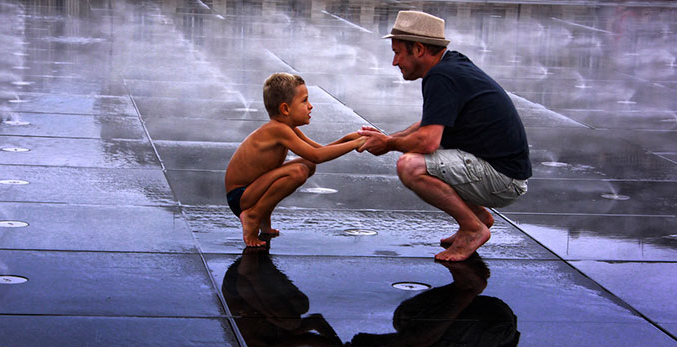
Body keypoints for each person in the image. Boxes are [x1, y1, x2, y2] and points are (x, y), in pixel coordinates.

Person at [358, 11, 532, 261]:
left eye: (398, 52)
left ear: (418, 49)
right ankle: (476, 217)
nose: (395, 62)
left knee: (410, 165)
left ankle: (473, 229)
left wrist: (388, 145)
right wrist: (388, 137)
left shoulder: (442, 76)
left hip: (503, 180)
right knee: (414, 154)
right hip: (504, 172)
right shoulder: (450, 65)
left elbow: (428, 141)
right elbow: (428, 123)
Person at [225, 72, 366, 248]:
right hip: (241, 196)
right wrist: (356, 144)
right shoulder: (278, 130)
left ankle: (262, 218)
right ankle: (253, 215)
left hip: (253, 189)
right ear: (285, 109)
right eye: (305, 101)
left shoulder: (286, 128)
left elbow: (318, 151)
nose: (310, 106)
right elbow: (317, 156)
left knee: (307, 165)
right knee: (298, 171)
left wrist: (348, 139)